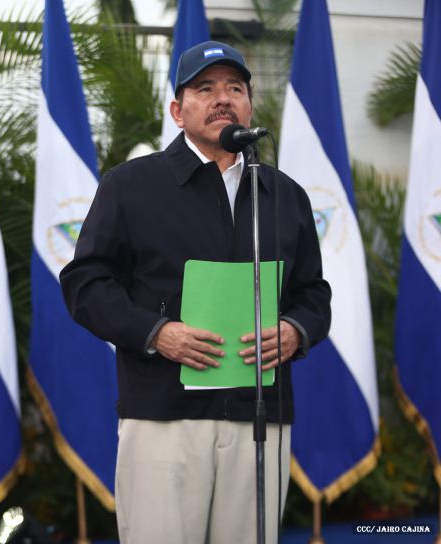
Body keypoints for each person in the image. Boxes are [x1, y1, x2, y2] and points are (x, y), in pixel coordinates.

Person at [60, 41, 331, 543]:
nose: (222, 98)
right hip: (163, 414)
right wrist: (156, 333)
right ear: (177, 111)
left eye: (235, 88)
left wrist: (295, 330)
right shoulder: (132, 185)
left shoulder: (284, 195)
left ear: (250, 106)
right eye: (205, 89)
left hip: (259, 416)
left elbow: (314, 294)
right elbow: (85, 282)